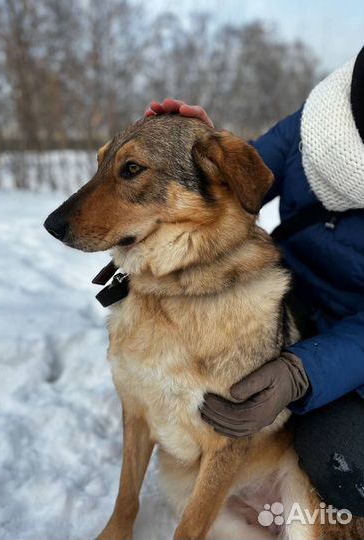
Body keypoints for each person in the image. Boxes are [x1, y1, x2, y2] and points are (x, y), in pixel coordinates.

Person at [145, 47, 364, 516]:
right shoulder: (325, 116)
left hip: (349, 341)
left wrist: (302, 372)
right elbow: (238, 183)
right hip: (281, 293)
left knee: (349, 465)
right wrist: (199, 152)